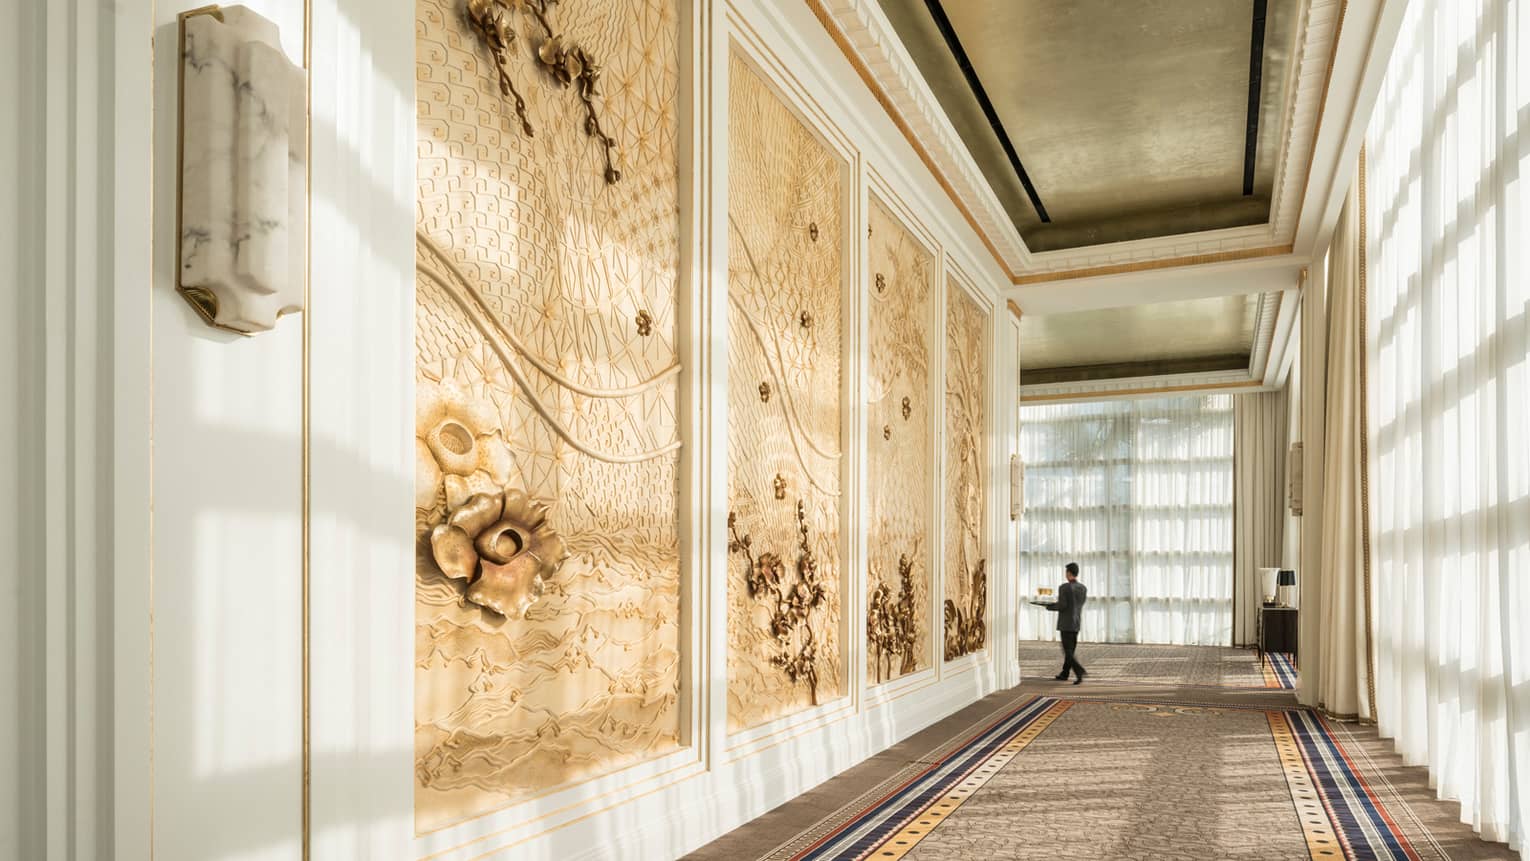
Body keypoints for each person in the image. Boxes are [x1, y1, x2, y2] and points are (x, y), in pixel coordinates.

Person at [1046, 562, 1087, 684]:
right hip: (1076, 622)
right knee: (1071, 650)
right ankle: (1065, 673)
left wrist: (1050, 607)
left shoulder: (1064, 587)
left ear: (1068, 573)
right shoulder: (1083, 588)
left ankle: (1079, 671)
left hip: (1066, 623)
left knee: (1067, 650)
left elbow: (1062, 605)